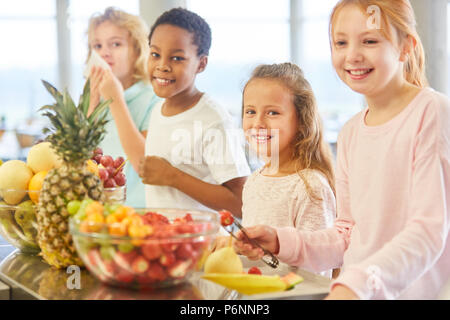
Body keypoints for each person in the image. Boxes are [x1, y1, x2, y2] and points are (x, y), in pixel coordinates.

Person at [234, 0, 450, 300]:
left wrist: (357, 283)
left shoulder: (433, 111)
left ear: (405, 47)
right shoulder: (351, 132)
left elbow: (428, 231)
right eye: (341, 42)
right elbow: (344, 236)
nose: (352, 55)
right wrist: (280, 241)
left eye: (370, 41)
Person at [213, 63, 337, 278]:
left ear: (301, 121)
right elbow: (259, 256)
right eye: (250, 111)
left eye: (272, 112)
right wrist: (232, 245)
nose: (258, 123)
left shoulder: (310, 186)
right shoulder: (254, 180)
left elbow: (319, 267)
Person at [136, 8, 250, 216]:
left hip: (205, 246)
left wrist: (172, 176)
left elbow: (242, 203)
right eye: (155, 54)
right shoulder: (156, 110)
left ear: (201, 64)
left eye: (177, 58)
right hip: (164, 242)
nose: (162, 66)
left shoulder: (213, 118)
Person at [87, 7, 161, 207]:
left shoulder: (154, 100)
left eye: (116, 44)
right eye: (98, 45)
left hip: (138, 217)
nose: (105, 53)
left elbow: (143, 166)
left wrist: (116, 99)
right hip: (97, 216)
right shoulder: (92, 101)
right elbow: (77, 165)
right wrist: (91, 106)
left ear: (137, 50)